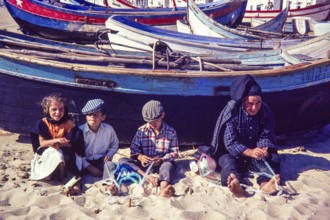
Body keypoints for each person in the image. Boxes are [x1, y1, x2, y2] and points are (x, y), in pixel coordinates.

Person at [210, 75, 281, 197]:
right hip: (234, 154)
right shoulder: (232, 112)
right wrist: (249, 151)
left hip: (255, 155)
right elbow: (230, 142)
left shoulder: (265, 111)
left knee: (274, 159)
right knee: (227, 162)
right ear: (243, 101)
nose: (255, 107)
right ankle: (238, 185)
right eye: (250, 103)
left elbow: (267, 134)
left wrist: (264, 149)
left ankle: (265, 184)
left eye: (258, 103)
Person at [118, 100, 179, 197]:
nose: (153, 124)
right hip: (145, 166)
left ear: (162, 115)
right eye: (150, 122)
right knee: (122, 160)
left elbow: (175, 153)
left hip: (162, 164)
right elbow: (134, 150)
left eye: (156, 120)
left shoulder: (171, 132)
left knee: (168, 166)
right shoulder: (141, 131)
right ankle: (148, 177)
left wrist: (162, 159)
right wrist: (141, 157)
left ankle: (163, 189)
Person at [30, 93, 85, 193]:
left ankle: (63, 176)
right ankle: (54, 173)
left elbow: (73, 142)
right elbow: (42, 143)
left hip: (65, 152)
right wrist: (56, 140)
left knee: (59, 154)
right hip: (47, 151)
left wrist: (62, 143)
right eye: (54, 109)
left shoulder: (68, 123)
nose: (58, 112)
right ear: (47, 110)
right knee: (48, 175)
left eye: (61, 109)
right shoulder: (43, 123)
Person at [79, 99, 119, 178]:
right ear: (85, 116)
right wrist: (89, 167)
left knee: (110, 166)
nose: (92, 117)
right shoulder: (80, 131)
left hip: (101, 160)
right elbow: (77, 154)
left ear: (103, 117)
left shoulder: (109, 129)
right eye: (89, 114)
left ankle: (108, 185)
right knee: (76, 169)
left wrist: (109, 155)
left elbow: (115, 145)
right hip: (84, 161)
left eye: (96, 114)